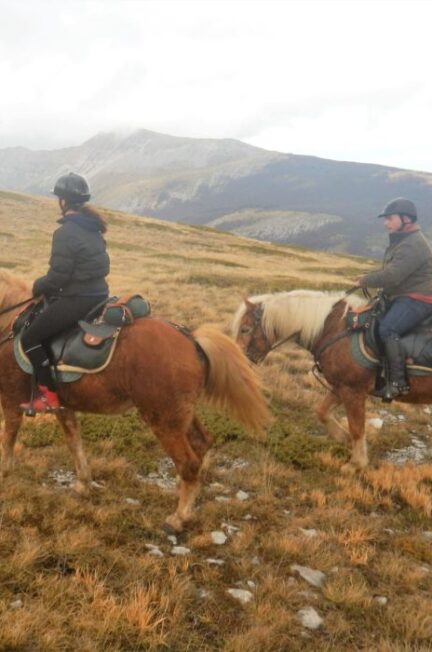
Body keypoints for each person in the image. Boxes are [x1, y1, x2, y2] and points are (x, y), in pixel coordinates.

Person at [20, 172, 110, 413]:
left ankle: (49, 396)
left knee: (29, 338)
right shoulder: (94, 228)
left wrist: (38, 285)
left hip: (78, 299)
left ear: (63, 201)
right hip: (100, 295)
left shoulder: (66, 232)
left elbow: (58, 277)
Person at [356, 197, 432, 401]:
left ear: (406, 219)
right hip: (402, 295)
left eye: (390, 218)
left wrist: (365, 280)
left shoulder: (413, 244)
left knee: (388, 328)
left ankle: (398, 382)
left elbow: (393, 276)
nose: (385, 223)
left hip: (418, 299)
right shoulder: (402, 241)